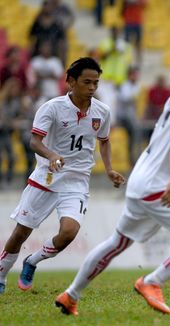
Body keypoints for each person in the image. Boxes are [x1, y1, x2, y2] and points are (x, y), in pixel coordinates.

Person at [55, 36, 170, 316]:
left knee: (116, 242)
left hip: (139, 180)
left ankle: (70, 295)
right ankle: (151, 281)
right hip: (158, 185)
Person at [0, 57, 126, 295]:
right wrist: (52, 155)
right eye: (87, 82)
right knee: (20, 233)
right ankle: (2, 276)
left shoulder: (102, 111)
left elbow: (105, 142)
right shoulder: (52, 108)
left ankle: (32, 261)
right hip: (46, 178)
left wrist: (109, 169)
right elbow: (34, 141)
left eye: (96, 83)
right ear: (70, 81)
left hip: (77, 182)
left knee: (68, 233)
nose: (91, 88)